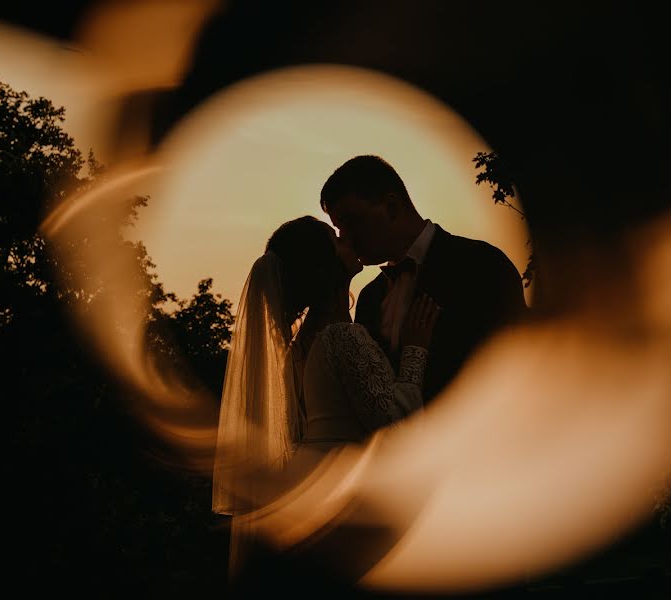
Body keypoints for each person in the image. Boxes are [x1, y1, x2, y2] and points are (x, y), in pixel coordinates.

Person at [211, 215, 441, 587]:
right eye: (337, 239)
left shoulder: (298, 346)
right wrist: (416, 349)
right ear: (323, 263)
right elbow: (396, 428)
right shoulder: (342, 337)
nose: (347, 238)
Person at [320, 155, 527, 406]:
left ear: (391, 208)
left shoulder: (482, 264)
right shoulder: (369, 299)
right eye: (338, 228)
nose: (346, 238)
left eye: (351, 222)